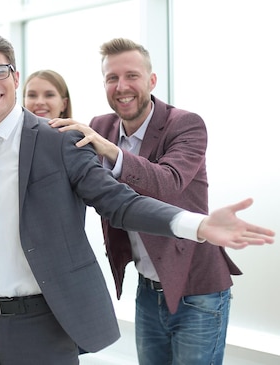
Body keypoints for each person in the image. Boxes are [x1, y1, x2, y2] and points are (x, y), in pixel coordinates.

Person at [0, 32, 275, 365]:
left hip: (42, 324)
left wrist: (195, 225)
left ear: (15, 77)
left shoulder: (61, 141)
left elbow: (119, 203)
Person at [49, 37, 240, 364]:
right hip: (148, 287)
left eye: (132, 76)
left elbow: (167, 183)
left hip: (199, 289)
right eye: (112, 78)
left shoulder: (185, 124)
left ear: (151, 81)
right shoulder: (100, 126)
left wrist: (109, 150)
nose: (122, 86)